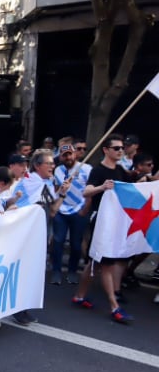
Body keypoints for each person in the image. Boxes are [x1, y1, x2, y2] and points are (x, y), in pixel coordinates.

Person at [72, 136, 135, 324]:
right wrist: (102, 187)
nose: (120, 151)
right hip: (101, 222)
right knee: (106, 264)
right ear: (106, 150)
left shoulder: (120, 171)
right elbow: (86, 192)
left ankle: (80, 296)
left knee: (95, 262)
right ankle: (114, 306)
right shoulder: (98, 171)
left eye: (122, 148)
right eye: (116, 148)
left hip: (115, 222)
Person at [51, 141, 91, 285]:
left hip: (78, 210)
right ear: (61, 157)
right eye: (64, 155)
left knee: (76, 244)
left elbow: (89, 191)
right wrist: (60, 192)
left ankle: (72, 271)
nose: (68, 157)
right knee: (58, 241)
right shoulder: (58, 170)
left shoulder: (86, 168)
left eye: (70, 154)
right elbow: (55, 190)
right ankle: (56, 270)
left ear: (75, 154)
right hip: (61, 210)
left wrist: (85, 208)